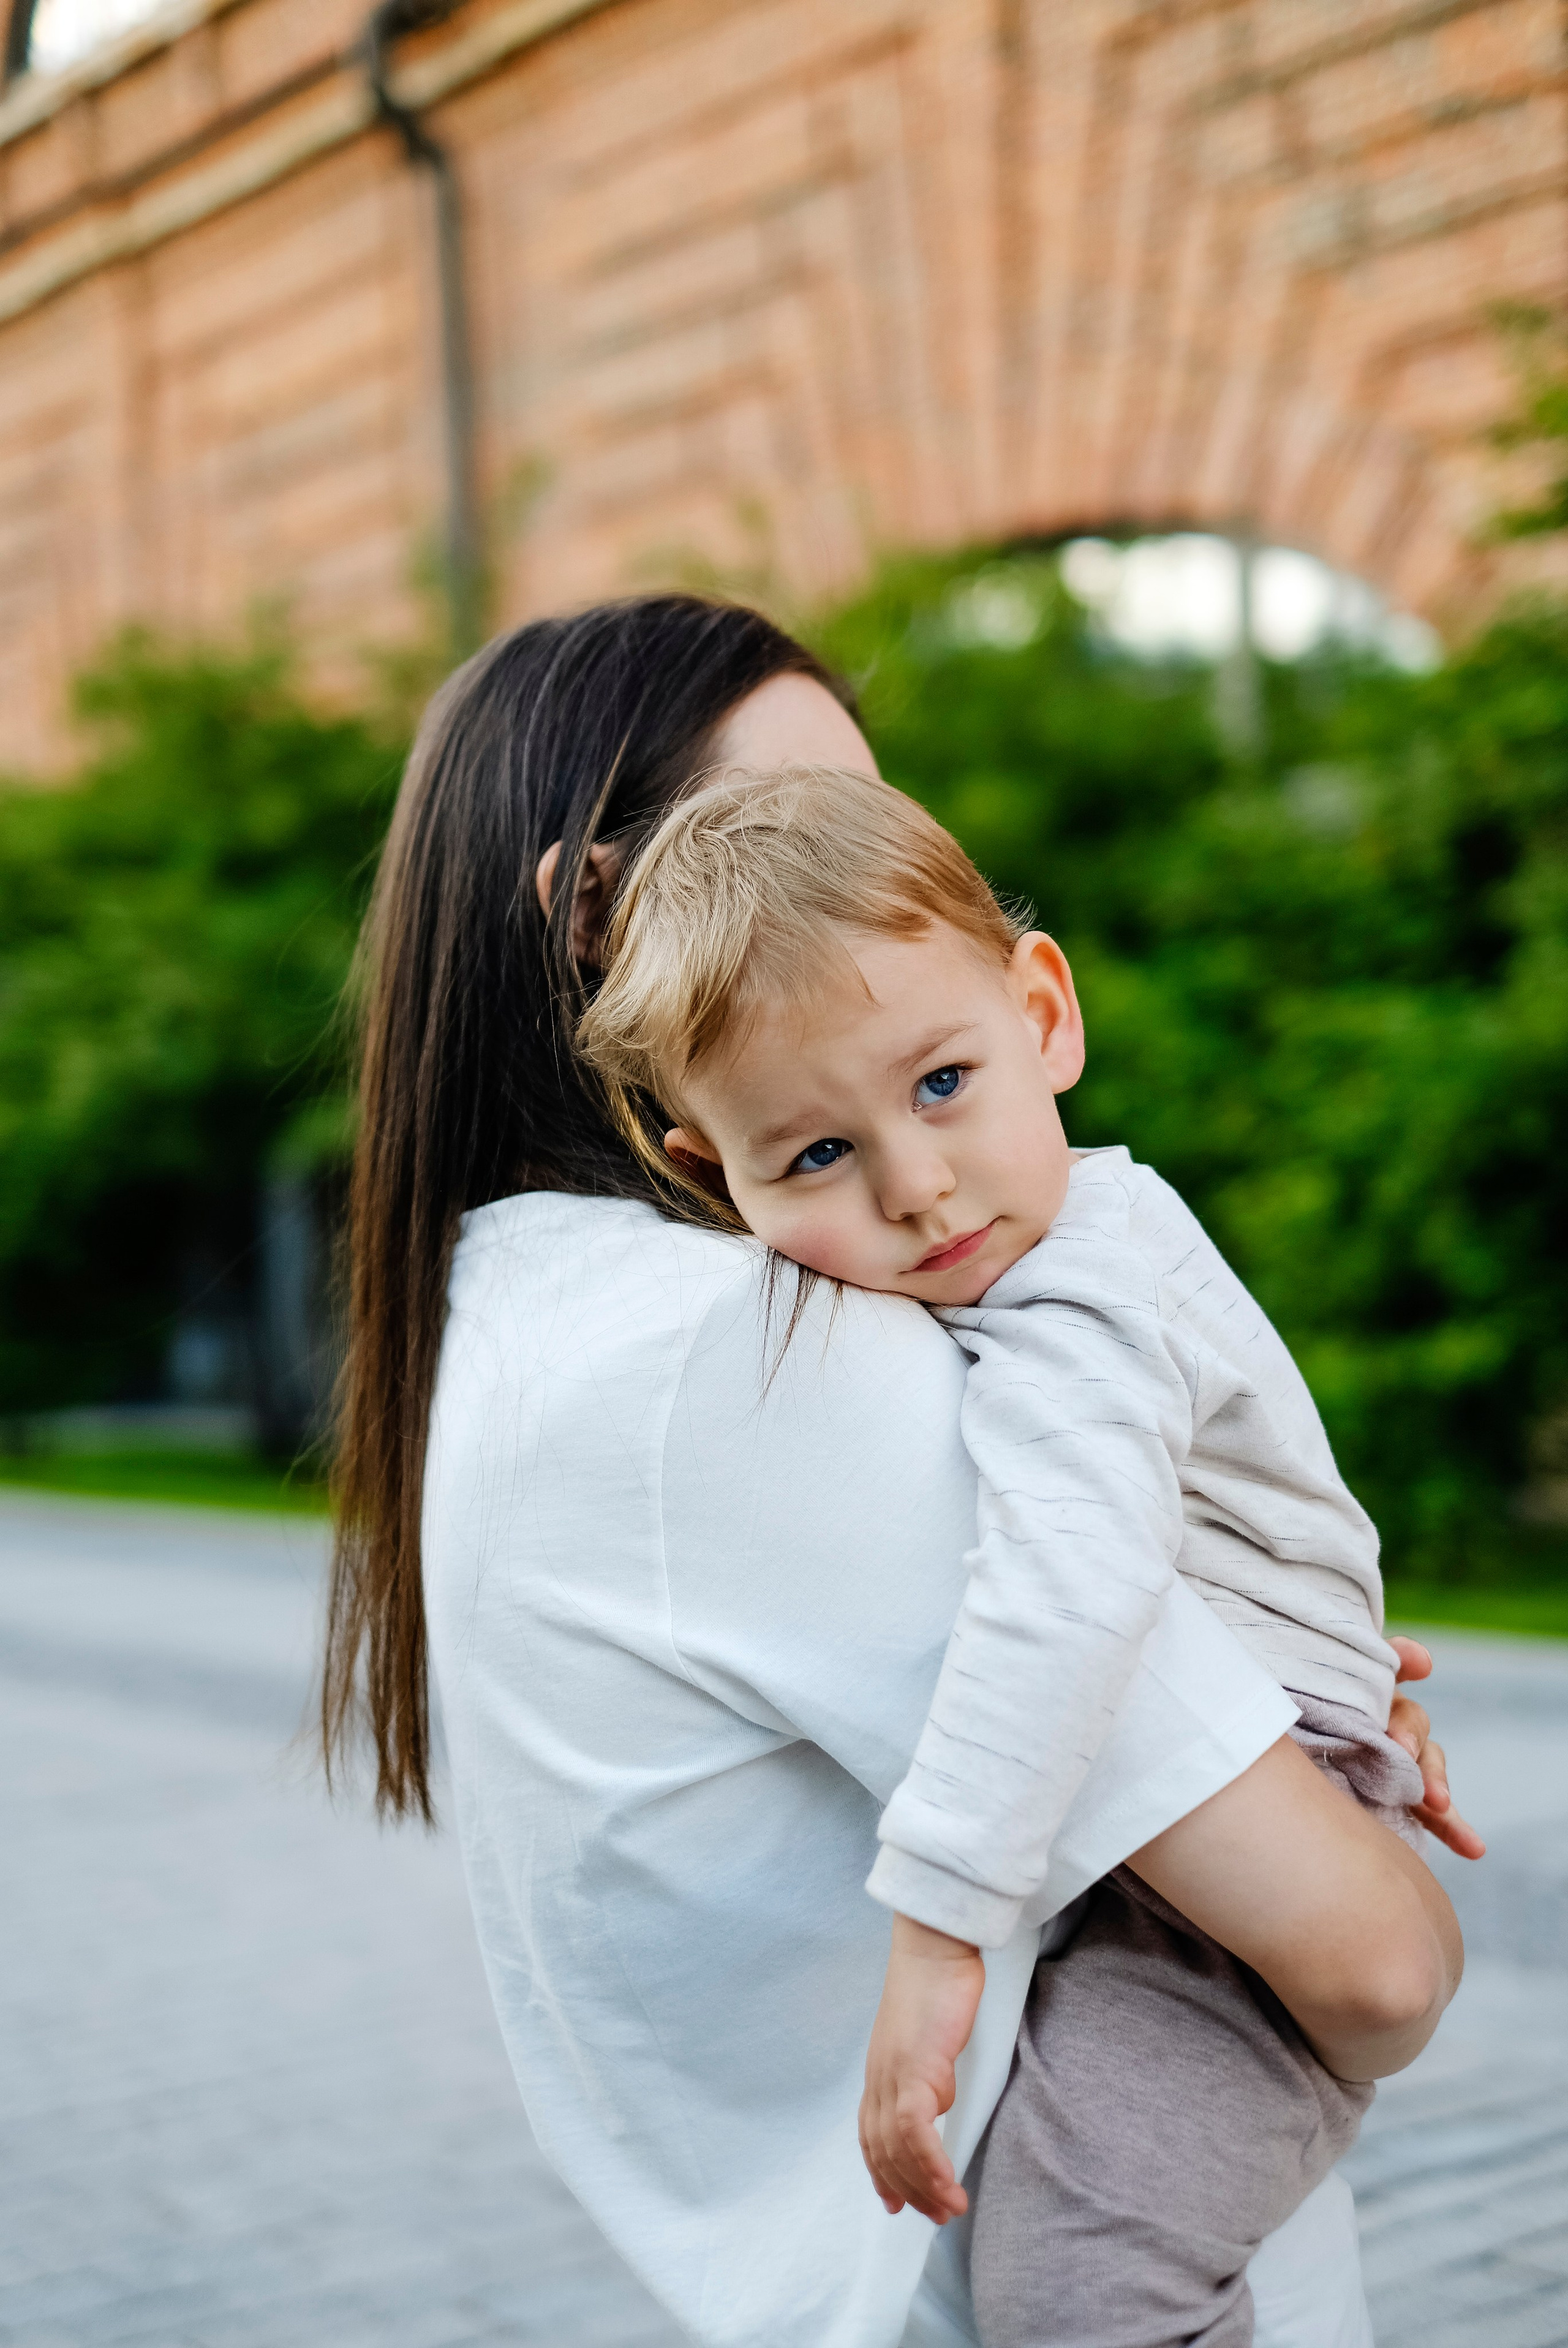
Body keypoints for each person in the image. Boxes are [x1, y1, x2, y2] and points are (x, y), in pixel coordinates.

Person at [322, 595, 1468, 2348]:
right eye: (782, 825)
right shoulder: (722, 1352)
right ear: (592, 912)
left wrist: (1283, 1649)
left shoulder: (518, 1323)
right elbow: (1381, 1959)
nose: (857, 874)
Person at [577, 761, 1480, 2346]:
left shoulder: (1080, 1293)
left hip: (1218, 1929)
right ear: (707, 1174)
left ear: (1044, 1012)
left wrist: (939, 1931)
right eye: (813, 1157)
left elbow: (1067, 1588)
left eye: (939, 1083)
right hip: (1206, 1849)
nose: (916, 1189)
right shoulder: (1036, 1261)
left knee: (1083, 2289)